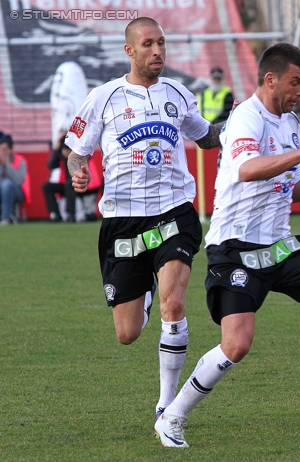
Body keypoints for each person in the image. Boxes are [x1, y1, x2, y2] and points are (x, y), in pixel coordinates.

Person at [154, 42, 300, 448]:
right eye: (295, 82)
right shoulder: (245, 118)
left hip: (279, 243)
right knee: (236, 345)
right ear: (270, 78)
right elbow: (247, 168)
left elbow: (295, 186)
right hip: (234, 246)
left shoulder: (290, 123)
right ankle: (173, 415)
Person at [65, 17, 226, 424]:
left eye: (162, 43)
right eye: (149, 44)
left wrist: (238, 123)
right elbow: (76, 150)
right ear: (130, 51)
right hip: (122, 221)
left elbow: (205, 136)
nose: (158, 51)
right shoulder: (103, 97)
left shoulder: (178, 93)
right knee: (128, 333)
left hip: (174, 212)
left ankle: (167, 407)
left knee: (176, 302)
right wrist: (78, 169)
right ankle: (145, 295)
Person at [0, 132, 30, 225]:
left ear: (10, 150)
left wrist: (8, 165)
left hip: (18, 192)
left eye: (5, 149)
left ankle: (5, 218)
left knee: (7, 184)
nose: (3, 152)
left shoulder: (20, 160)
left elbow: (19, 181)